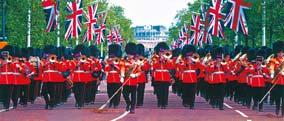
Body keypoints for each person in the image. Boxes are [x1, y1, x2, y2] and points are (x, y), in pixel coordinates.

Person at [152, 42, 175, 109]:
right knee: (159, 91)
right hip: (158, 77)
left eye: (163, 52)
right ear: (158, 52)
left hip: (166, 77)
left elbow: (171, 67)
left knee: (165, 91)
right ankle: (159, 102)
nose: (161, 53)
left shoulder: (168, 59)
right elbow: (154, 66)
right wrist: (159, 61)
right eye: (160, 52)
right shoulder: (154, 58)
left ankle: (164, 103)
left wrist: (166, 60)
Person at [104, 44, 123, 108]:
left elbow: (122, 69)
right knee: (110, 91)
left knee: (117, 92)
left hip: (118, 78)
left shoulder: (121, 61)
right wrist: (109, 65)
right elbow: (106, 69)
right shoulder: (108, 61)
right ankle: (111, 101)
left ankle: (116, 103)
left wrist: (115, 66)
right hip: (110, 78)